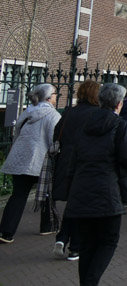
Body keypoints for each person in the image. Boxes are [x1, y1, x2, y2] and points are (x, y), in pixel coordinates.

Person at [64, 83, 127, 286]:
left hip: (81, 190)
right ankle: (90, 282)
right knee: (108, 240)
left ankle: (86, 282)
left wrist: (70, 189)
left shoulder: (85, 125)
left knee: (87, 244)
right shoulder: (120, 125)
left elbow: (74, 158)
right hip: (108, 191)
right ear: (119, 103)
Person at [0, 83, 61, 243]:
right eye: (55, 93)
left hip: (20, 158)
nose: (56, 96)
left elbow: (17, 133)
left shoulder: (27, 112)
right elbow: (53, 140)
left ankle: (6, 232)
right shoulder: (53, 115)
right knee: (48, 191)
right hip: (40, 160)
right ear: (48, 97)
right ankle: (48, 226)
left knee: (18, 196)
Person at [52, 79, 101, 262]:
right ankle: (75, 248)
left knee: (74, 202)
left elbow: (57, 134)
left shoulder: (70, 112)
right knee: (84, 204)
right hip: (86, 163)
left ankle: (62, 238)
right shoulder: (97, 114)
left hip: (66, 161)